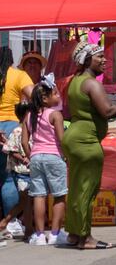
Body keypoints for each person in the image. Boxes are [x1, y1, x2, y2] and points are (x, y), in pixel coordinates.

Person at [62, 42, 116, 250]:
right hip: (86, 142)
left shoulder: (75, 81)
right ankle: (85, 237)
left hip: (75, 137)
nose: (104, 60)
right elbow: (107, 111)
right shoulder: (92, 83)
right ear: (86, 59)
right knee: (87, 190)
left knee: (75, 188)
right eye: (99, 56)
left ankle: (73, 233)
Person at [22, 80, 67, 245]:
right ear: (45, 99)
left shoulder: (29, 116)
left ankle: (40, 235)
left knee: (38, 195)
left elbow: (24, 142)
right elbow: (62, 140)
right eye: (55, 93)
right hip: (54, 156)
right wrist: (67, 155)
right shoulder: (56, 115)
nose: (58, 95)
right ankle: (55, 233)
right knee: (59, 195)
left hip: (36, 158)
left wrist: (30, 155)